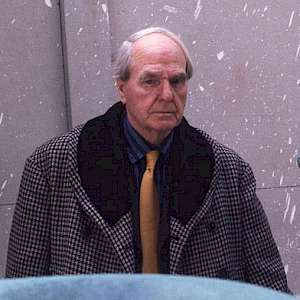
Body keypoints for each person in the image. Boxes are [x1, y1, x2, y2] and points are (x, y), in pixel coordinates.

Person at [6, 27, 291, 293]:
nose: (167, 94)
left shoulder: (229, 170)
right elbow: (24, 286)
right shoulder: (52, 166)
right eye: (150, 81)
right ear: (121, 89)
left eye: (177, 81)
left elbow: (269, 285)